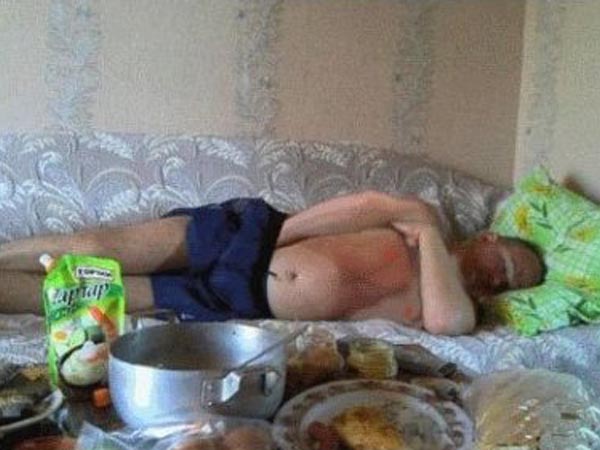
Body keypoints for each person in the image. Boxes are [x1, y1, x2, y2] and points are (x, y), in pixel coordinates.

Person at [0, 191, 544, 335]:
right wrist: (278, 238)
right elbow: (355, 207)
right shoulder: (421, 214)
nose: (500, 278)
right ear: (488, 236)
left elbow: (449, 324)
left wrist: (428, 243)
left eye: (509, 285)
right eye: (506, 263)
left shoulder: (447, 300)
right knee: (94, 248)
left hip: (234, 302)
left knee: (84, 293)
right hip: (242, 238)